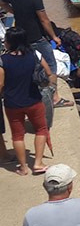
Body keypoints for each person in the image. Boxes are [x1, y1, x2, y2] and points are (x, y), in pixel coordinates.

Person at [1, 0, 69, 108]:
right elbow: (44, 20)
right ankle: (55, 98)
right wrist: (54, 37)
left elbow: (1, 2)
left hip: (20, 37)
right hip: (36, 37)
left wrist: (14, 11)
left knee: (24, 64)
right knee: (51, 65)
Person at [0, 27, 53, 176]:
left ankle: (23, 168)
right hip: (34, 100)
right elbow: (48, 73)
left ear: (10, 42)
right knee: (41, 130)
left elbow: (1, 84)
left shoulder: (3, 60)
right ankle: (38, 163)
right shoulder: (35, 55)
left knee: (17, 135)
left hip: (12, 104)